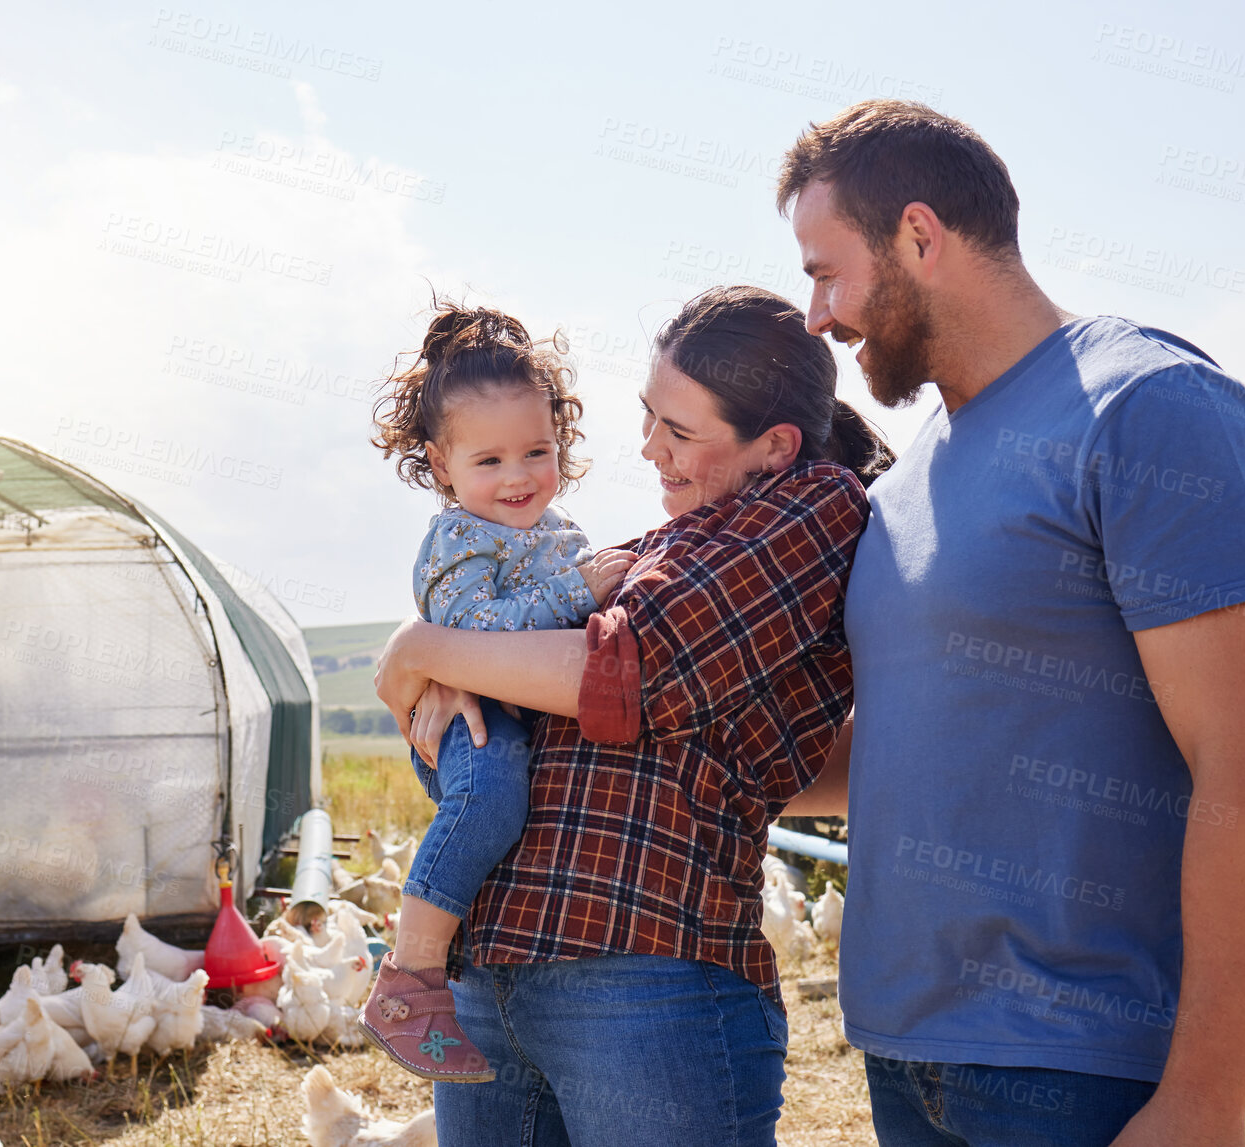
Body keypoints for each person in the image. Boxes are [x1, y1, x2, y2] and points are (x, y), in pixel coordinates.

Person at [778, 100, 1245, 1147]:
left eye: (824, 270)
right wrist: (657, 750)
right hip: (906, 1056)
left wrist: (1202, 1101)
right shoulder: (908, 478)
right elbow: (901, 744)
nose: (814, 313)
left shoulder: (1148, 407)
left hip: (1088, 1071)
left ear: (918, 238)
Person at [374, 285, 893, 1146]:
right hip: (496, 967)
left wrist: (424, 648)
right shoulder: (660, 542)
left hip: (641, 969)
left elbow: (626, 679)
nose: (648, 448)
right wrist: (431, 672)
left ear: (775, 446)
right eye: (650, 418)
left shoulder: (813, 509)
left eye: (678, 432)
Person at [360, 300, 638, 1082]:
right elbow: (472, 628)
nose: (518, 477)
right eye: (489, 462)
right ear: (441, 464)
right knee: (488, 801)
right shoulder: (458, 537)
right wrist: (575, 591)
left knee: (510, 799)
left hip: (506, 717)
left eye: (537, 451)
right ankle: (408, 977)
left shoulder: (560, 533)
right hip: (469, 725)